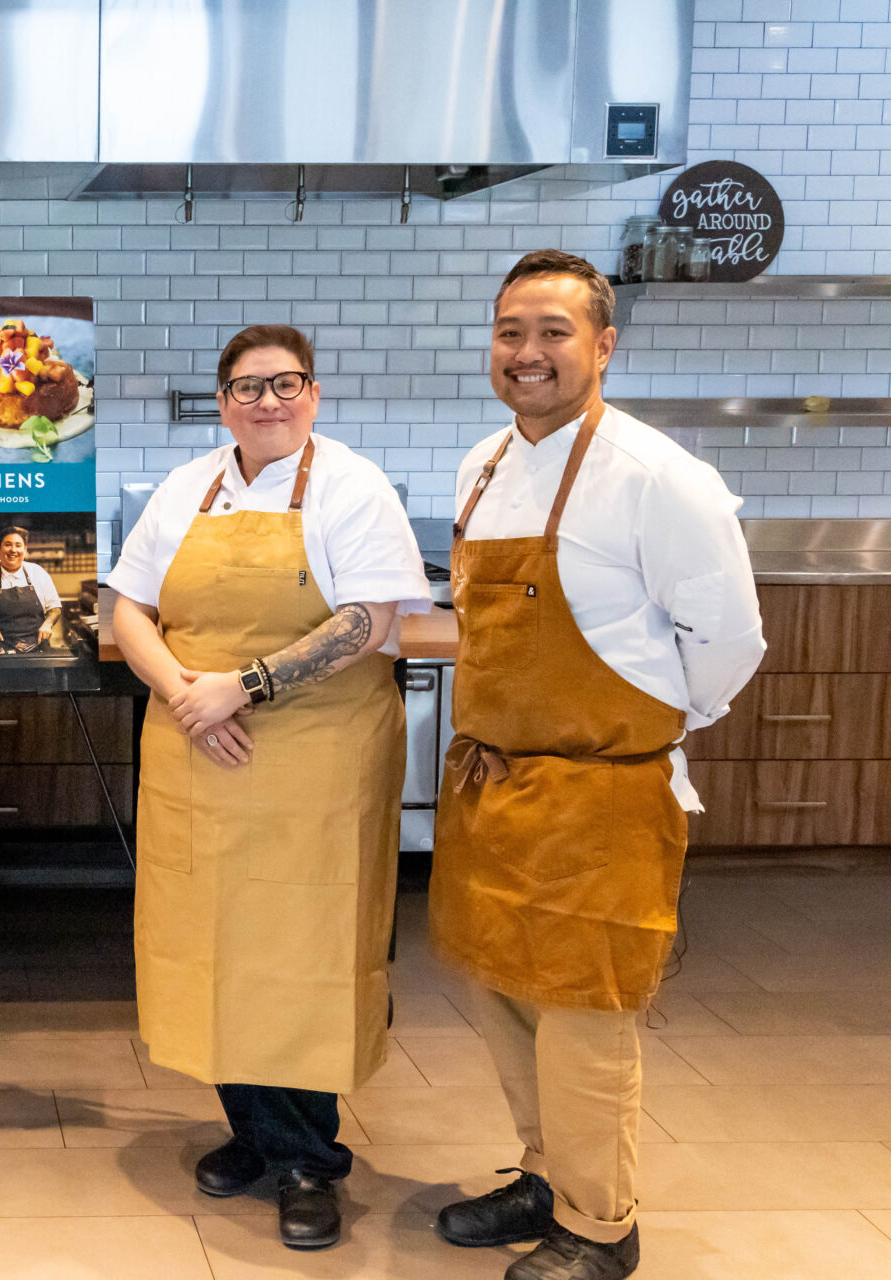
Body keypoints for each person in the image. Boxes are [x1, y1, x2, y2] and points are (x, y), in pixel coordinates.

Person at [430, 251, 764, 1280]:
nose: (527, 352)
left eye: (552, 331)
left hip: (600, 796)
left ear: (603, 345)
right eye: (510, 331)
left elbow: (731, 636)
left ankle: (600, 1222)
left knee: (583, 1018)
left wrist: (653, 729)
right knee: (499, 993)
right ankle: (544, 1172)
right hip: (495, 784)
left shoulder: (660, 476)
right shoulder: (483, 466)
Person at [110, 324, 430, 1251]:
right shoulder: (189, 485)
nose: (267, 402)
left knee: (303, 948)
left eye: (285, 383)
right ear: (223, 403)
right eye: (247, 388)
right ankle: (253, 1132)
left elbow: (369, 620)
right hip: (197, 747)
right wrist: (183, 694)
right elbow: (128, 606)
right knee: (213, 943)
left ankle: (308, 1159)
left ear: (314, 393)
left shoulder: (351, 486)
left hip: (314, 759)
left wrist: (243, 688)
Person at [0, 525, 63, 653]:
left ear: (25, 550)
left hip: (36, 651)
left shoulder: (38, 573)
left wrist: (48, 624)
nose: (13, 550)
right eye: (8, 545)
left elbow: (55, 608)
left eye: (18, 545)